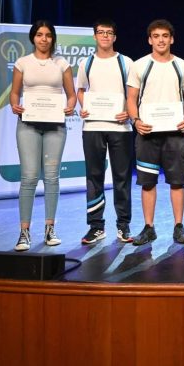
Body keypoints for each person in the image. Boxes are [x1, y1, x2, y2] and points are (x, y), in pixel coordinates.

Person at [9, 20, 76, 251]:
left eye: (48, 35)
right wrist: (14, 105)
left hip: (55, 125)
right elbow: (14, 93)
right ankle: (24, 232)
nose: (44, 39)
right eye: (39, 34)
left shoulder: (62, 64)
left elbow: (71, 95)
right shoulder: (22, 63)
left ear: (53, 38)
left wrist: (70, 106)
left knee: (51, 177)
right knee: (28, 177)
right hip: (28, 125)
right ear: (33, 37)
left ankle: (50, 228)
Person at [126, 20, 184, 246]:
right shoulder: (139, 65)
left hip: (175, 133)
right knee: (147, 182)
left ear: (171, 39)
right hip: (148, 133)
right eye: (156, 36)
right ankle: (148, 227)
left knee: (177, 182)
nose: (161, 40)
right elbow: (131, 98)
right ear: (150, 40)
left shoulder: (182, 66)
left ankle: (178, 227)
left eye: (165, 35)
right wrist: (135, 121)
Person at [76, 19, 134, 245]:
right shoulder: (86, 63)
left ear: (115, 37)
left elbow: (133, 93)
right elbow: (80, 90)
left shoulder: (125, 62)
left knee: (122, 178)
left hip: (121, 127)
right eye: (101, 32)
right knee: (94, 177)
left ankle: (123, 225)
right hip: (93, 127)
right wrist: (84, 107)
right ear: (95, 36)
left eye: (110, 33)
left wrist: (128, 113)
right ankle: (96, 226)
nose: (105, 36)